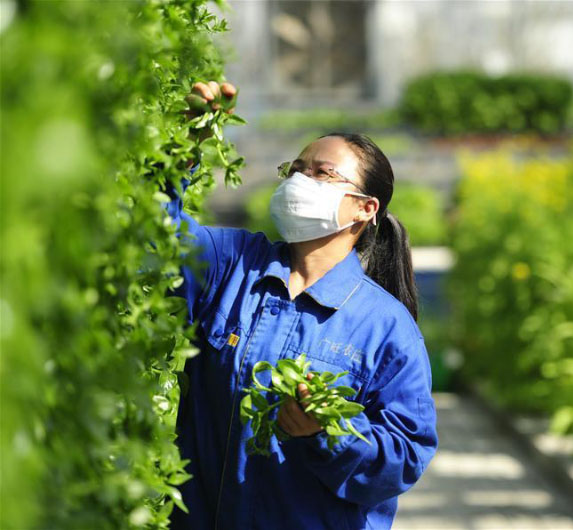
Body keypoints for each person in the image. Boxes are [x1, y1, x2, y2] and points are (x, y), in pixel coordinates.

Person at [163, 80, 438, 529]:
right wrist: (185, 144)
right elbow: (156, 238)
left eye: (322, 173)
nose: (299, 180)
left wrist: (329, 434)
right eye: (295, 168)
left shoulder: (385, 326)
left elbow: (405, 456)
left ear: (365, 208)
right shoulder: (233, 264)